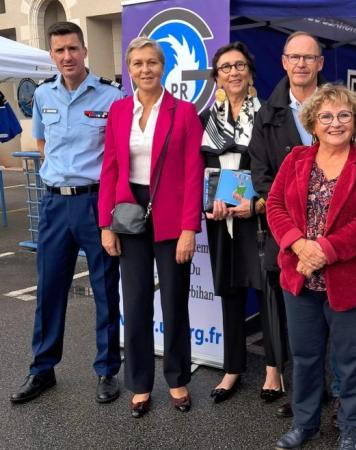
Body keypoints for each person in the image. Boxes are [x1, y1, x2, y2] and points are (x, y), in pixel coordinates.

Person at [267, 83, 356, 450]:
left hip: (349, 279)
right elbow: (274, 205)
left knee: (352, 361)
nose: (335, 123)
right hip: (299, 280)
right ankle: (305, 424)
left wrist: (324, 250)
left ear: (354, 121)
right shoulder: (296, 159)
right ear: (313, 123)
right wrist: (300, 246)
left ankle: (352, 426)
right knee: (304, 358)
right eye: (326, 117)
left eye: (343, 115)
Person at [10, 22, 123, 405]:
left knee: (105, 289)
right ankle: (42, 369)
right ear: (52, 55)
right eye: (59, 51)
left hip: (95, 203)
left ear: (84, 50)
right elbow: (42, 144)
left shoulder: (111, 97)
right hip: (56, 204)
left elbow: (118, 156)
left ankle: (107, 370)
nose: (67, 57)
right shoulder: (43, 96)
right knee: (49, 288)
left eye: (72, 49)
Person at [98, 37, 204, 418]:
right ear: (129, 70)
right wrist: (105, 224)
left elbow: (194, 173)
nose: (145, 69)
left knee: (175, 301)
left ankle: (177, 378)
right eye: (138, 63)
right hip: (128, 215)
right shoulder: (119, 111)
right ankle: (140, 384)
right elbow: (109, 169)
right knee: (137, 301)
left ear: (164, 68)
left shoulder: (184, 112)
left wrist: (190, 228)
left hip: (173, 217)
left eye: (152, 63)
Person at [249, 30, 326, 418]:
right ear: (283, 62)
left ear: (320, 64)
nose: (301, 64)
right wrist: (294, 227)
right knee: (298, 319)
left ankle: (338, 395)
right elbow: (260, 175)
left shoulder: (336, 105)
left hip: (331, 231)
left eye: (308, 58)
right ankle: (304, 397)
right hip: (289, 235)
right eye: (294, 57)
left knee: (333, 317)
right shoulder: (267, 114)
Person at [199, 42, 264, 403]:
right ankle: (232, 367)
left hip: (259, 216)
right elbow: (198, 168)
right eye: (226, 67)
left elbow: (273, 167)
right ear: (217, 76)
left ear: (250, 72)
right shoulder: (206, 120)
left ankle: (273, 367)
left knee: (268, 291)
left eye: (240, 65)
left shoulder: (269, 114)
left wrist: (258, 203)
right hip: (220, 217)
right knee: (230, 291)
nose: (234, 72)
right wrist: (208, 204)